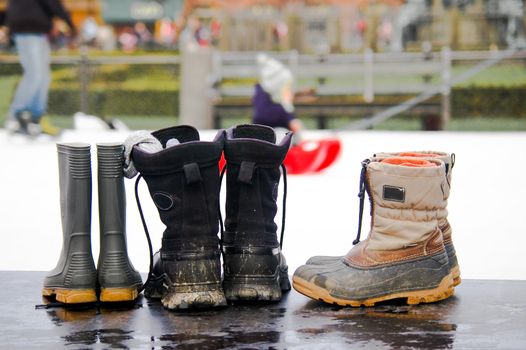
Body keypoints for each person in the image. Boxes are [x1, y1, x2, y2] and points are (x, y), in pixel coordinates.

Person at [4, 0, 76, 136]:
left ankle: (36, 117)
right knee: (35, 74)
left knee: (44, 76)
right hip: (28, 29)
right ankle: (16, 116)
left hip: (34, 29)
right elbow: (53, 3)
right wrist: (70, 24)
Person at [252, 53, 303, 134]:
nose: (290, 92)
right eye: (287, 88)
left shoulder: (261, 94)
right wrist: (288, 113)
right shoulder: (277, 109)